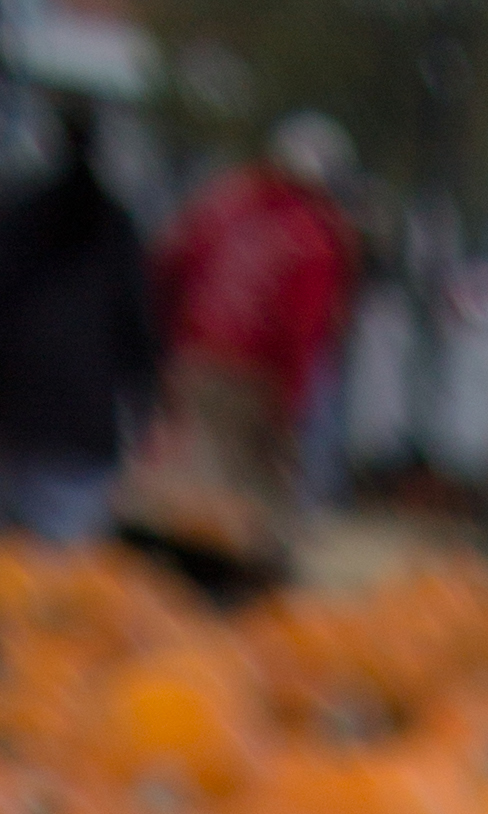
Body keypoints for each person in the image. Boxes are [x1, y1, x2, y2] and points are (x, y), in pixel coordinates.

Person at [136, 111, 358, 570]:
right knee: (247, 502)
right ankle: (222, 595)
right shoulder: (314, 234)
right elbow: (305, 327)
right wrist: (290, 405)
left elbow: (168, 267)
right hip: (256, 379)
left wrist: (169, 347)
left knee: (182, 482)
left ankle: (164, 577)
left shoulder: (223, 203)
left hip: (196, 359)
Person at [0, 87, 159, 542]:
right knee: (58, 571)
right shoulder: (115, 226)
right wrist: (145, 405)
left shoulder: (17, 213)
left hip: (16, 412)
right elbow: (136, 328)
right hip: (79, 425)